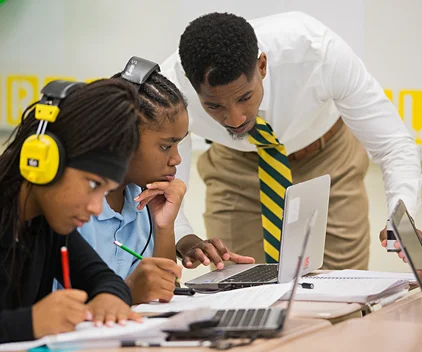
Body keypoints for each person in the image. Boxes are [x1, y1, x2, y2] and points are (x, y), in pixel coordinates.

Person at [161, 12, 422, 269]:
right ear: (189, 82)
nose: (235, 119)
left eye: (244, 98)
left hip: (327, 159)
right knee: (241, 292)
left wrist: (399, 218)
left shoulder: (317, 52)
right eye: (214, 106)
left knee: (342, 295)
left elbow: (393, 145)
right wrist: (183, 236)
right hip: (236, 169)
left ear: (262, 65)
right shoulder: (170, 87)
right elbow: (165, 183)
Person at [0, 78, 143, 343]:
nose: (96, 207)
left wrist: (109, 298)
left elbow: (102, 278)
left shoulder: (44, 222)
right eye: (92, 184)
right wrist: (29, 323)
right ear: (43, 161)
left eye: (105, 191)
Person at [79, 57, 187, 304]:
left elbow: (163, 291)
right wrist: (127, 291)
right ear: (123, 139)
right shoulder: (78, 207)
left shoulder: (143, 202)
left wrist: (163, 227)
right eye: (165, 146)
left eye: (178, 144)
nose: (177, 159)